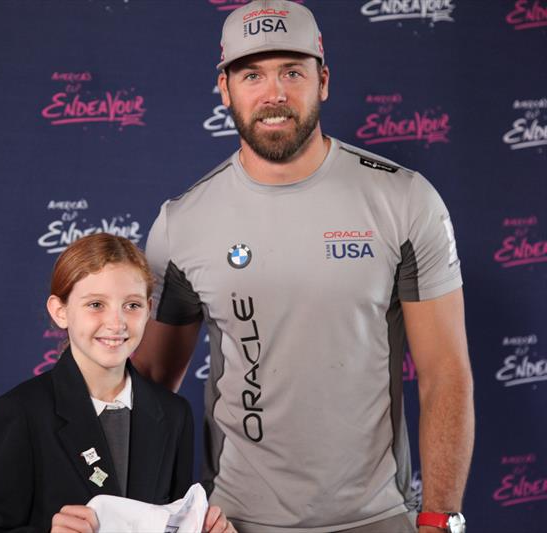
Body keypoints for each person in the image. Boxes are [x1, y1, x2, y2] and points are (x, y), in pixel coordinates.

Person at [132, 2, 474, 533]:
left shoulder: (405, 200)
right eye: (252, 75)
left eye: (292, 72)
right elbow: (149, 384)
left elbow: (445, 376)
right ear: (224, 88)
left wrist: (439, 519)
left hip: (378, 516)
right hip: (234, 519)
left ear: (323, 80)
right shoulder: (182, 223)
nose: (274, 94)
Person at [0, 233, 235, 533]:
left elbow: (174, 520)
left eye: (131, 305)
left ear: (148, 309)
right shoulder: (22, 412)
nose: (116, 323)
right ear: (61, 311)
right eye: (96, 304)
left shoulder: (173, 414)